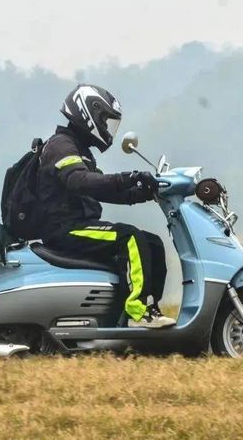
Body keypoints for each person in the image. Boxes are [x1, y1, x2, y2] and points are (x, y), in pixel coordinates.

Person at [37, 84, 176, 328]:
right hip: (64, 229)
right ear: (87, 113)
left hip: (80, 224)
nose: (107, 129)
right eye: (105, 121)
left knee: (152, 242)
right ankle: (137, 312)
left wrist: (142, 193)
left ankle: (150, 307)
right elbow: (80, 181)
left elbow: (101, 189)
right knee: (130, 237)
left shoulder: (79, 149)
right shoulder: (61, 146)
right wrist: (129, 177)